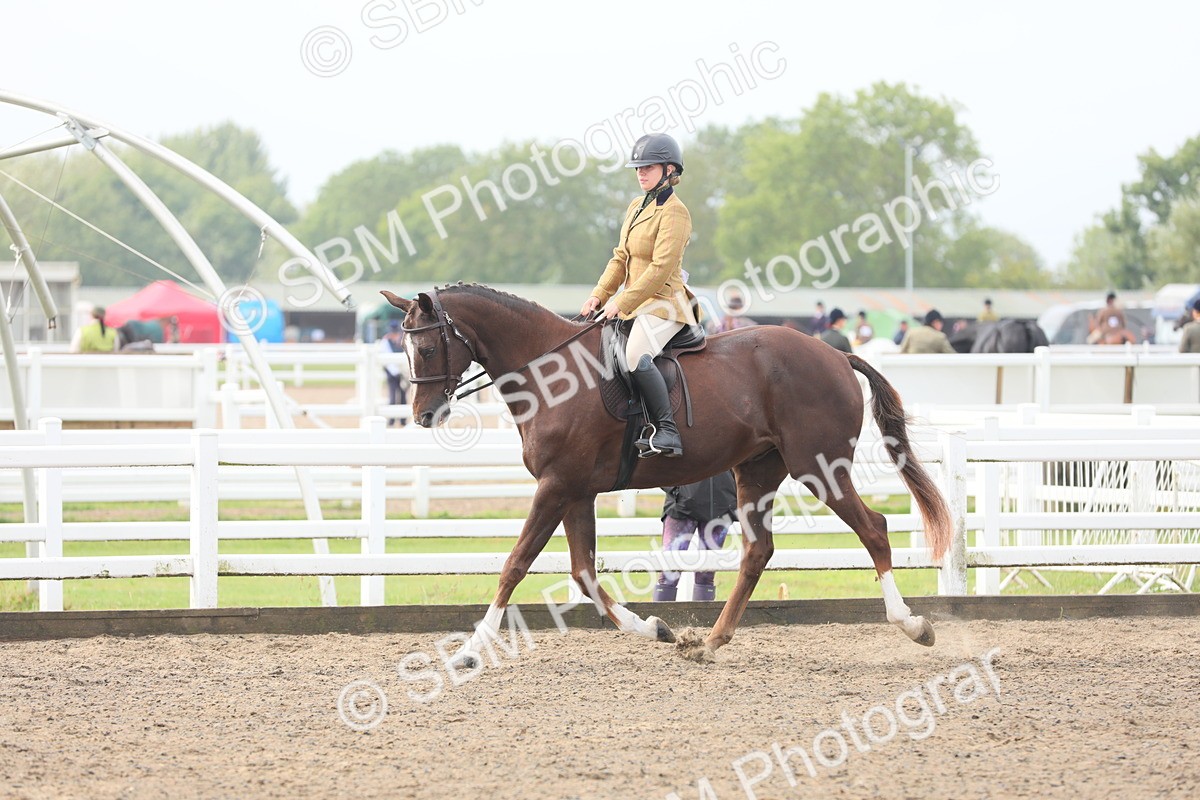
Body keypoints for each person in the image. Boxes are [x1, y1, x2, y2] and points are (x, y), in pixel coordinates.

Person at [581, 133, 697, 458]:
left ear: (669, 169)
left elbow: (660, 268)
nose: (641, 173)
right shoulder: (636, 206)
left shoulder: (675, 212)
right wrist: (599, 295)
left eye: (648, 167)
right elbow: (621, 257)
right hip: (634, 303)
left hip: (665, 305)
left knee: (635, 356)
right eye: (638, 168)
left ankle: (668, 431)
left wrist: (622, 301)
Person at [654, 470, 738, 602]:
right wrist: (677, 491)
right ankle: (660, 614)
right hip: (681, 507)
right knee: (669, 572)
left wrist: (731, 492)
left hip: (720, 505)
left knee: (707, 574)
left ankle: (702, 615)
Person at [378, 320, 410, 426]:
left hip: (402, 372)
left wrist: (402, 370)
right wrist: (395, 371)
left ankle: (403, 420)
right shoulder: (386, 341)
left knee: (403, 396)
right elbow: (386, 357)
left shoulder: (402, 339)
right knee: (392, 396)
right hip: (392, 372)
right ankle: (391, 419)